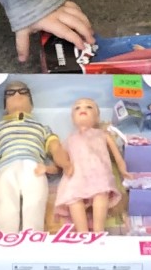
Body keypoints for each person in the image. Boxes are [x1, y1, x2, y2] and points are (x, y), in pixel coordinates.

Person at [0, 81, 67, 232]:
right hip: (6, 167)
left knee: (35, 203)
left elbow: (56, 149)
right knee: (5, 204)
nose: (17, 95)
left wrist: (66, 165)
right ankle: (5, 237)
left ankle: (33, 237)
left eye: (23, 92)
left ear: (31, 104)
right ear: (5, 106)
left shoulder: (42, 128)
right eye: (10, 93)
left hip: (35, 167)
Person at [54, 96, 125, 234]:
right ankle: (82, 232)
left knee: (101, 193)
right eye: (77, 108)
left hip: (99, 172)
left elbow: (117, 156)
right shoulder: (69, 139)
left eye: (89, 107)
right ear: (72, 118)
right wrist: (60, 166)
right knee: (73, 198)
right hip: (76, 174)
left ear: (97, 118)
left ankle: (99, 230)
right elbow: (60, 158)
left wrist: (123, 169)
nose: (83, 109)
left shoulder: (103, 134)